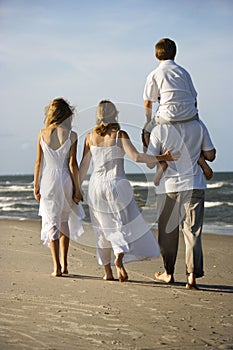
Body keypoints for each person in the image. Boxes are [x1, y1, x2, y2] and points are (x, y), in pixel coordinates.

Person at [79, 100, 179, 282]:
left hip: (95, 186)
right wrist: (164, 157)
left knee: (102, 228)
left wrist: (77, 189)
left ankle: (107, 273)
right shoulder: (119, 135)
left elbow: (83, 166)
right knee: (122, 224)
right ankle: (119, 256)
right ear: (114, 114)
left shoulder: (89, 137)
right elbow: (137, 157)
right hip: (117, 184)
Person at [147, 116, 216, 289]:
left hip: (167, 186)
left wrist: (163, 158)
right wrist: (199, 156)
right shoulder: (199, 125)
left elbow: (149, 162)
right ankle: (191, 276)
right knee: (192, 231)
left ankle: (168, 273)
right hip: (193, 184)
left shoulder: (160, 129)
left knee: (168, 232)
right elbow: (211, 155)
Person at [142, 38, 213, 185]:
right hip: (190, 116)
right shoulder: (184, 73)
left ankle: (163, 161)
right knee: (194, 137)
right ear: (175, 54)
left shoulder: (154, 74)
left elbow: (148, 101)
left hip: (167, 116)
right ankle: (199, 158)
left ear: (156, 56)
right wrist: (193, 115)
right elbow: (194, 98)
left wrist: (147, 122)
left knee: (147, 133)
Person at [34, 98, 85, 277]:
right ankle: (65, 264)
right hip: (65, 179)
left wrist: (36, 185)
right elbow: (73, 164)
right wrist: (78, 188)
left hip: (48, 180)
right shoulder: (72, 135)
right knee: (64, 221)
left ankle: (56, 267)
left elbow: (39, 162)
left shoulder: (42, 133)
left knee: (51, 222)